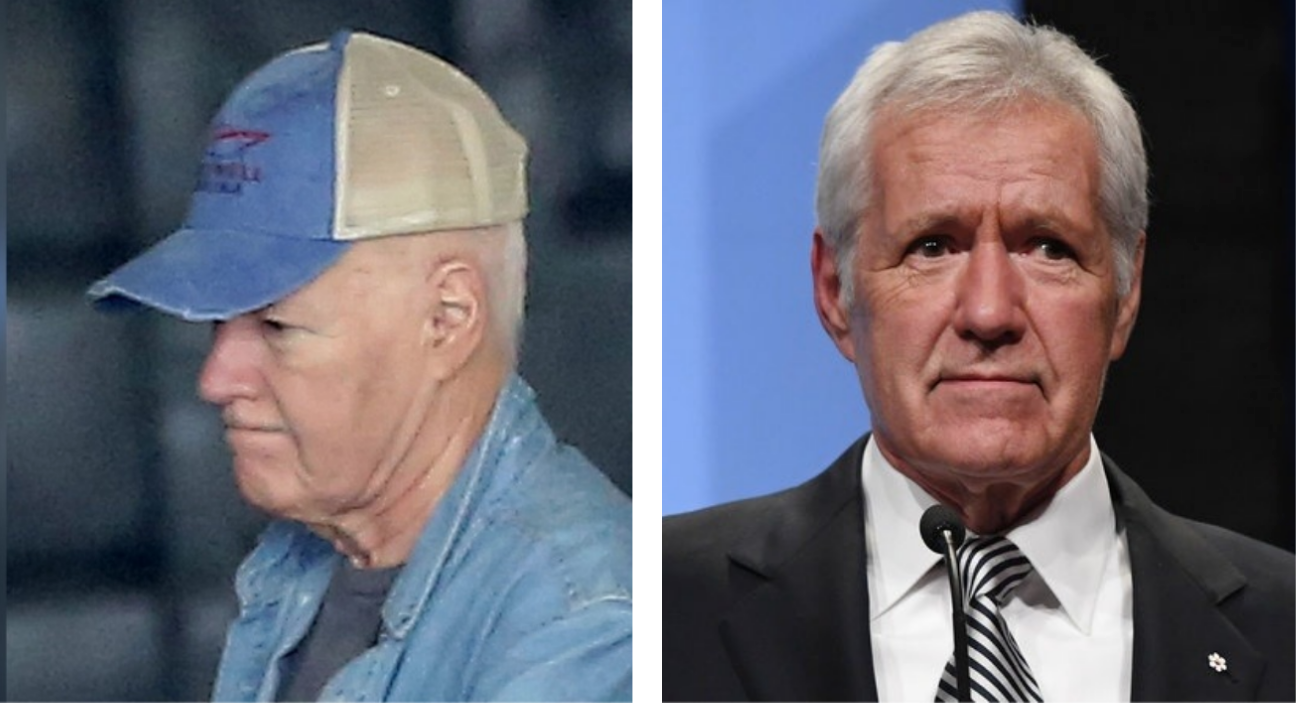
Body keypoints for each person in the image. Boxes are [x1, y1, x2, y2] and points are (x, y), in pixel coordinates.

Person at [663, 11, 1293, 703]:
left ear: (1125, 290)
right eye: (932, 246)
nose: (989, 313)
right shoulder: (660, 610)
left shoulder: (1281, 626)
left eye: (1047, 246)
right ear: (835, 290)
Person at [89, 30, 631, 702]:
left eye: (276, 326)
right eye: (218, 327)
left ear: (448, 318)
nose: (215, 379)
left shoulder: (584, 628)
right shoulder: (304, 565)